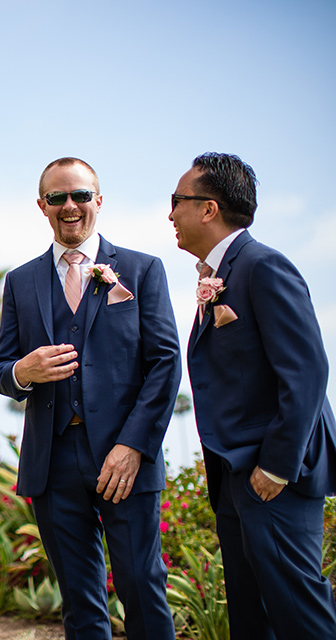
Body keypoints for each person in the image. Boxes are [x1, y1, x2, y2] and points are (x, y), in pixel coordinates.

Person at [0, 158, 180, 640]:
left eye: (79, 195)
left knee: (141, 585)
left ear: (99, 200)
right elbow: (1, 370)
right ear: (42, 206)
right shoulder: (21, 281)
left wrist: (134, 446)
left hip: (126, 455)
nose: (69, 206)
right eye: (57, 198)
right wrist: (22, 371)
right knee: (79, 598)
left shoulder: (141, 270)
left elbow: (164, 364)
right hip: (52, 459)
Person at [170, 152, 336, 639]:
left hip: (274, 477)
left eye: (177, 201)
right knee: (251, 615)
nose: (170, 213)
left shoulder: (263, 266)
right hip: (236, 475)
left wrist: (277, 466)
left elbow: (306, 370)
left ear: (208, 209)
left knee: (298, 613)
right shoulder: (221, 274)